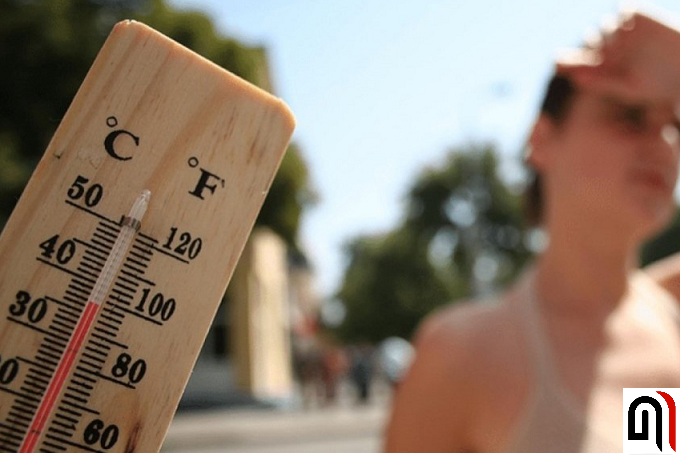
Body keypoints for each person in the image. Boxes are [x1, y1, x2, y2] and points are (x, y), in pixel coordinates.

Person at [384, 9, 679, 453]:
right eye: (629, 116)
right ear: (541, 140)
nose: (665, 144)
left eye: (676, 124)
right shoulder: (463, 356)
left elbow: (653, 452)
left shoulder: (677, 310)